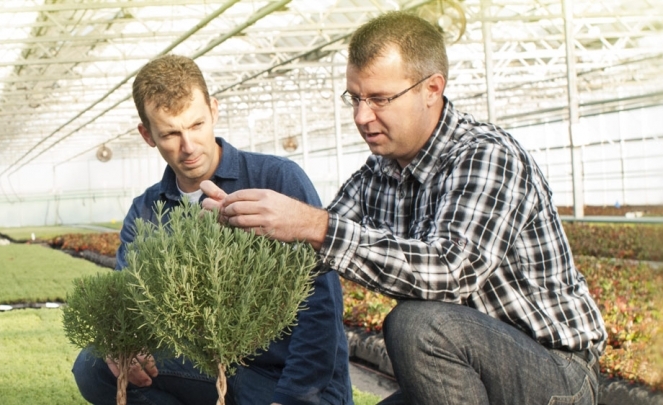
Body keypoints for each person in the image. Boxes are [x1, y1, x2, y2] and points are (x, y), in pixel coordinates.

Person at [200, 11, 607, 405]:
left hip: (555, 373)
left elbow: (451, 271)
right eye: (355, 98)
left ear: (431, 89)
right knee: (421, 327)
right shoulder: (377, 174)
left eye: (379, 98)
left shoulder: (486, 156)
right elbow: (306, 258)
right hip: (466, 368)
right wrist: (238, 229)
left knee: (417, 325)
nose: (362, 116)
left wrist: (312, 223)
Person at [71, 54, 353, 405]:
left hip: (279, 377)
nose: (188, 147)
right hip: (206, 369)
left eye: (197, 125)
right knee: (95, 366)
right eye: (170, 134)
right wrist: (127, 346)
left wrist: (293, 398)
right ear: (147, 135)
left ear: (214, 110)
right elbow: (133, 308)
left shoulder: (276, 179)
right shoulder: (146, 212)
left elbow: (321, 305)